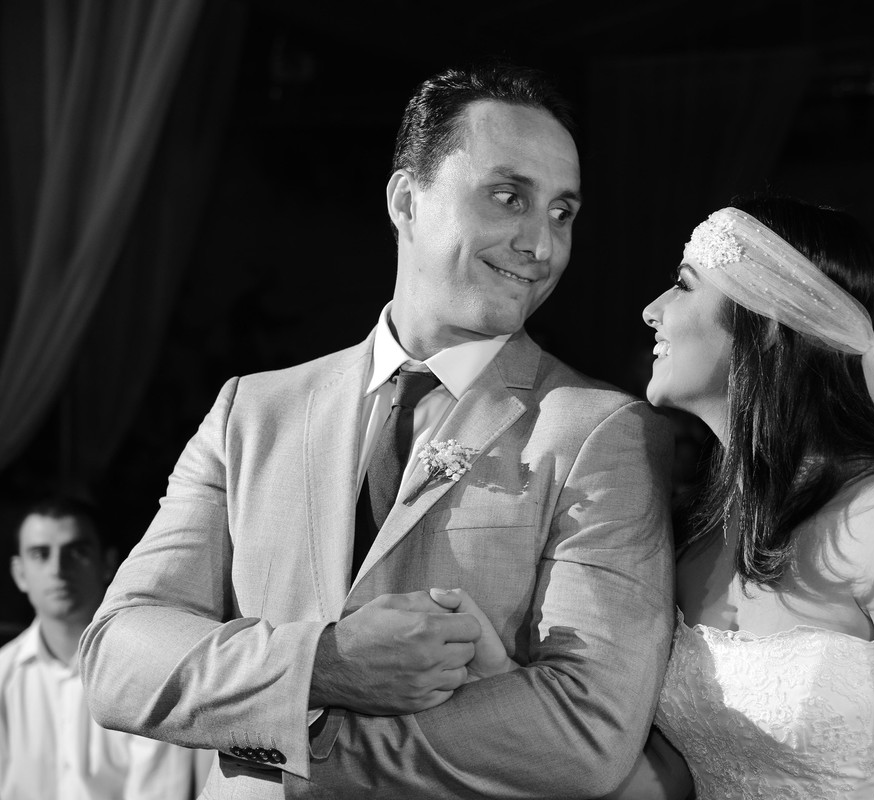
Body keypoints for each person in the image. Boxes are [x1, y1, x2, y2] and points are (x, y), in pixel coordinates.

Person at [79, 62, 675, 799]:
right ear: (406, 200)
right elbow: (117, 656)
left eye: (562, 212)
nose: (542, 245)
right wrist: (326, 664)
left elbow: (588, 732)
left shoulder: (601, 431)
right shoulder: (252, 412)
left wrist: (294, 742)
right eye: (509, 197)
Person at [610, 197, 874, 798]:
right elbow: (679, 772)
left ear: (769, 322)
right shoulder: (701, 528)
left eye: (685, 285)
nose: (652, 310)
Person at [1, 497, 209, 800]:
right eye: (40, 554)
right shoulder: (3, 675)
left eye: (77, 551)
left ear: (108, 564)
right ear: (20, 574)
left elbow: (159, 792)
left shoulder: (150, 670)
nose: (58, 569)